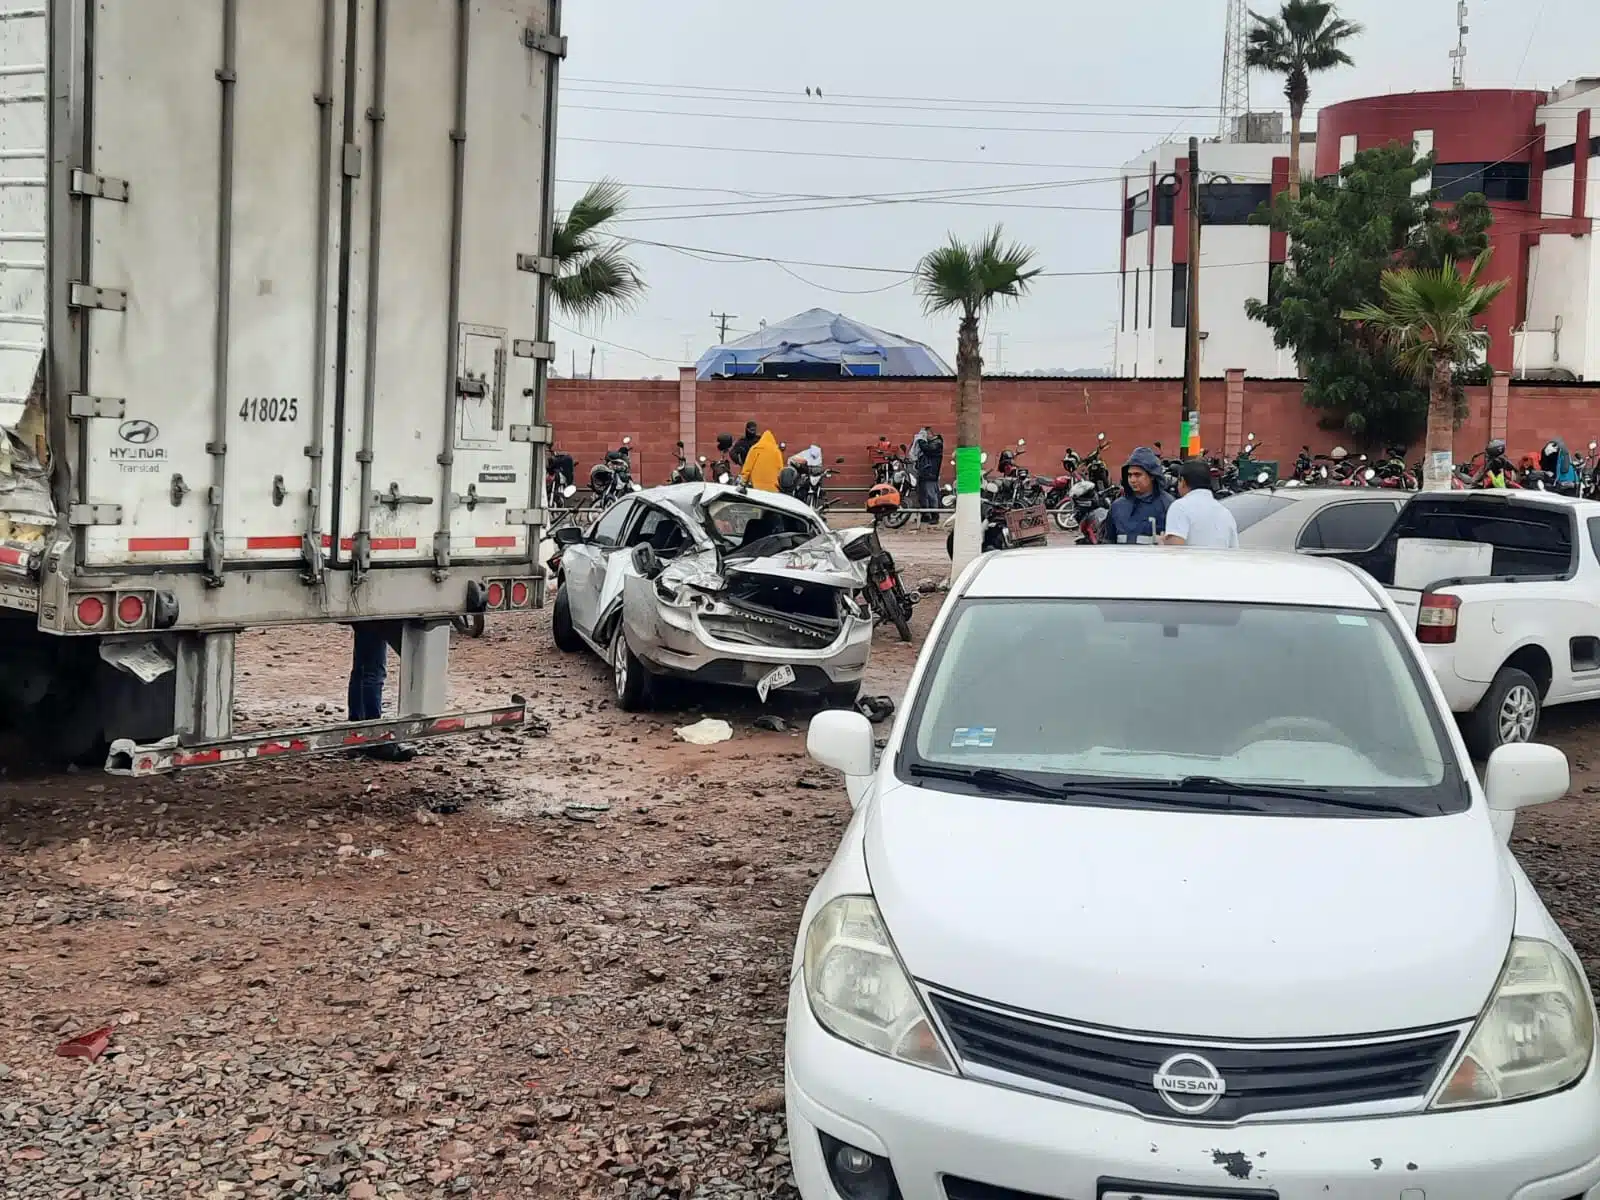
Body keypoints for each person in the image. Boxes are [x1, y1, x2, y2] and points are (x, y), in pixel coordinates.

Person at [348, 622, 416, 762]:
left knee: (362, 667)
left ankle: (357, 731)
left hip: (360, 609)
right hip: (372, 609)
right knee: (373, 671)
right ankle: (373, 736)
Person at [1162, 459, 1239, 548]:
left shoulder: (1180, 507)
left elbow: (1173, 550)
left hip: (1191, 562)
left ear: (1182, 481)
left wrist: (1162, 542)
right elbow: (1234, 551)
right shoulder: (1226, 513)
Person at [1105, 446, 1174, 544]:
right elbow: (1107, 541)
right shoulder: (1117, 506)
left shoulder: (1168, 505)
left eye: (1138, 475)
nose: (1132, 480)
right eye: (1129, 475)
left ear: (1152, 476)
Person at [913, 426, 944, 524]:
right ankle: (925, 514)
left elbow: (928, 449)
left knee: (931, 495)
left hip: (930, 473)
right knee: (922, 495)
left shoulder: (937, 443)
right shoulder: (930, 443)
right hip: (923, 472)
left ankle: (935, 515)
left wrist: (921, 441)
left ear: (930, 434)